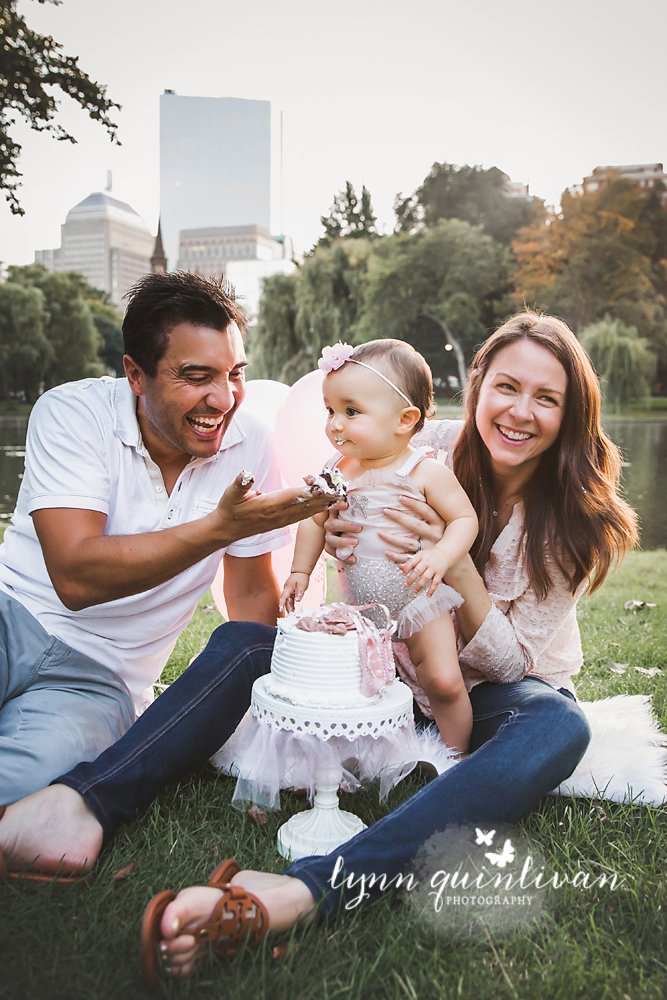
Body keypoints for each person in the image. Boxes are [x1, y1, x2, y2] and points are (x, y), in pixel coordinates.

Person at [0, 313, 637, 985]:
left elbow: (508, 666)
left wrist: (455, 571)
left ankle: (310, 888)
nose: (519, 412)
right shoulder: (415, 443)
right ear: (475, 386)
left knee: (559, 724)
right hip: (385, 665)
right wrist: (333, 541)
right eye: (506, 387)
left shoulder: (574, 514)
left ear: (569, 414)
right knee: (246, 643)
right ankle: (85, 800)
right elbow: (332, 502)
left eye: (546, 398)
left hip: (485, 697)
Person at [0, 270, 335, 807]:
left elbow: (250, 592)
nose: (223, 399)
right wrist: (219, 529)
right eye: (197, 376)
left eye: (235, 374)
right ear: (136, 374)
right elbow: (75, 576)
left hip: (100, 678)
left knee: (19, 788)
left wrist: (275, 713)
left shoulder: (251, 443)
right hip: (9, 617)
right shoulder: (72, 412)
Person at [280, 339, 478, 753]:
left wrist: (440, 555)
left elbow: (464, 519)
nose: (335, 423)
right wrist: (300, 570)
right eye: (330, 411)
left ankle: (455, 757)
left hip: (420, 597)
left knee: (441, 680)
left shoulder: (422, 469)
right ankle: (366, 752)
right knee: (361, 681)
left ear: (405, 419)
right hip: (364, 606)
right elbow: (316, 520)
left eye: (351, 412)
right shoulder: (335, 470)